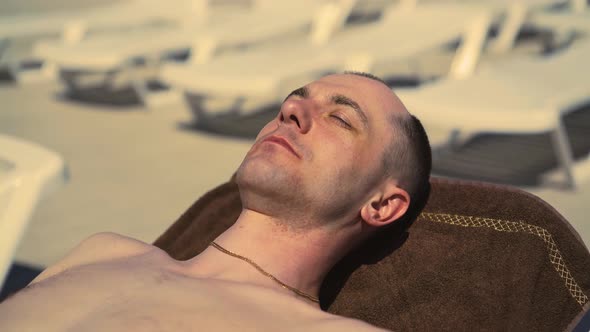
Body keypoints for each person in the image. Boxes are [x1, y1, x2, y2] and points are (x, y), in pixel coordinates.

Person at [0, 72, 431, 331]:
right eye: (291, 103)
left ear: (381, 205)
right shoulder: (103, 250)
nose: (292, 112)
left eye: (339, 118)